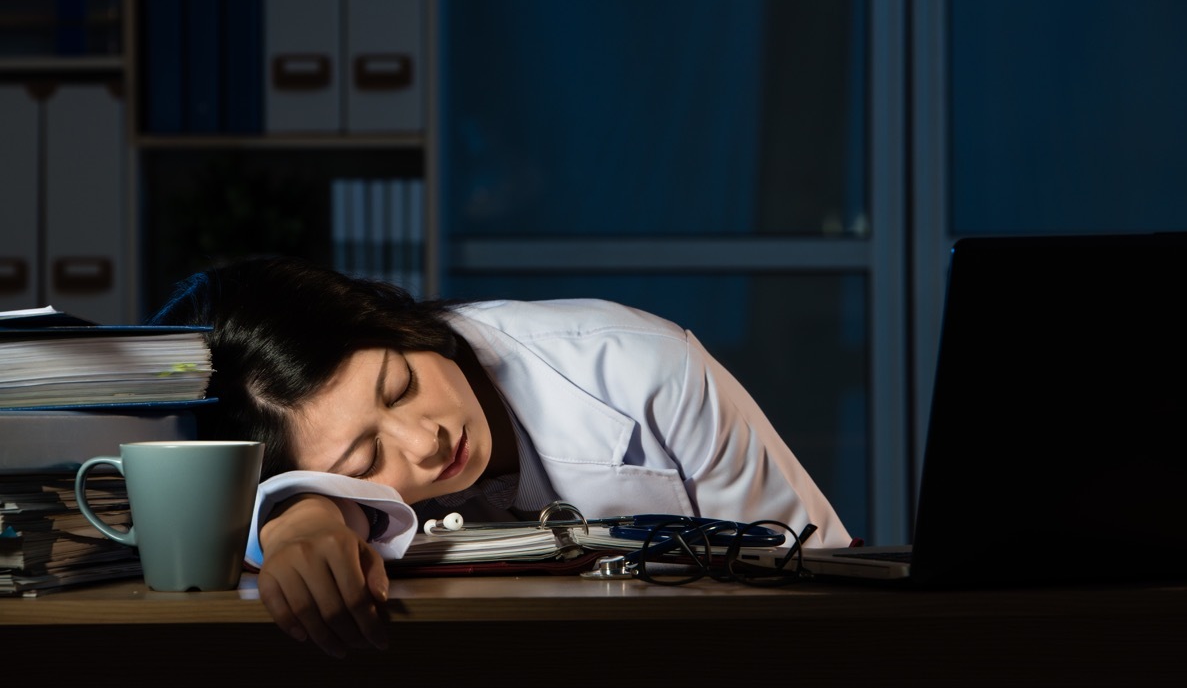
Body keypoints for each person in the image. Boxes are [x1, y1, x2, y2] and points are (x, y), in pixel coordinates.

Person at [150, 256, 852, 657]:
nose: (426, 442)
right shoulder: (314, 489)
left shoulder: (643, 370)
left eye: (400, 386)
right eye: (364, 464)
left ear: (393, 322)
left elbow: (815, 576)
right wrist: (300, 518)